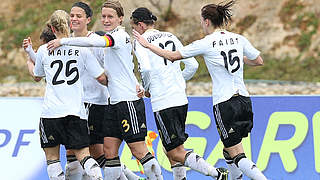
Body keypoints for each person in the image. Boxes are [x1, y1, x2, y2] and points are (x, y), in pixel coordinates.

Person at [132, 1, 268, 180]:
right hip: (244, 99)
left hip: (224, 102)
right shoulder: (238, 38)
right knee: (229, 150)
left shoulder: (207, 42)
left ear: (206, 22)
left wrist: (148, 46)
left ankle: (228, 175)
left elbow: (173, 57)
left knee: (236, 153)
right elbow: (258, 61)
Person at [47, 1, 163, 180]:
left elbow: (100, 49)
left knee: (138, 150)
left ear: (120, 19)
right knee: (108, 152)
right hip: (113, 103)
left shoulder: (117, 36)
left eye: (110, 16)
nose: (106, 20)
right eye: (104, 16)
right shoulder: (111, 37)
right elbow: (122, 67)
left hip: (127, 101)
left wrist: (62, 41)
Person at [131, 7, 229, 180]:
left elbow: (145, 68)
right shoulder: (170, 36)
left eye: (133, 26)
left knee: (175, 152)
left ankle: (217, 174)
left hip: (163, 101)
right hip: (180, 98)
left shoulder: (140, 40)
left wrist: (147, 88)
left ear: (139, 25)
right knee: (171, 148)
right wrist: (178, 81)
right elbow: (193, 66)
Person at [64, 2, 144, 180]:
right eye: (72, 15)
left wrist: (133, 85)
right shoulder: (67, 42)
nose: (74, 19)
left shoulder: (97, 42)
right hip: (75, 104)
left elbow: (112, 72)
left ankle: (133, 178)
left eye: (79, 16)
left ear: (88, 19)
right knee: (80, 150)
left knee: (94, 151)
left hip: (96, 102)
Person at [28, 10, 106, 180]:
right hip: (76, 112)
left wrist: (29, 59)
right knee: (85, 157)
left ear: (51, 28)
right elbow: (101, 77)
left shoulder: (43, 50)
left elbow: (36, 76)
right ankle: (98, 177)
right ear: (70, 25)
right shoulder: (82, 49)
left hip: (51, 113)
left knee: (52, 160)